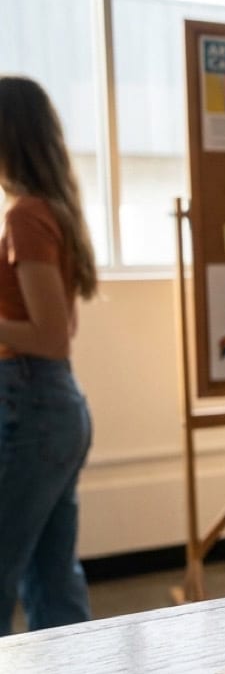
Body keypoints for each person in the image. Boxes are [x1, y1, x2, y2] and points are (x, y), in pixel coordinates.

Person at [0, 76, 99, 635]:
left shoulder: (24, 217)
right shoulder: (50, 211)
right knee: (52, 578)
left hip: (33, 406)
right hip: (50, 405)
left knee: (21, 573)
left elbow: (52, 334)